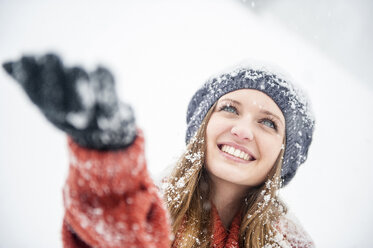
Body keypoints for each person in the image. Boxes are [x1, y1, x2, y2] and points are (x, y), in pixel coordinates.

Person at [3, 53, 315, 248]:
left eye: (269, 123)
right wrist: (107, 161)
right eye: (230, 109)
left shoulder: (293, 243)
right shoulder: (147, 210)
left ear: (285, 155)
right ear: (203, 125)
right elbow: (119, 234)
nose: (243, 130)